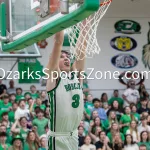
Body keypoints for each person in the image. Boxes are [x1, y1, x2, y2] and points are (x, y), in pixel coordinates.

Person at [46, 30, 85, 150]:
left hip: (73, 135)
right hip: (58, 138)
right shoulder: (54, 76)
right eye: (61, 57)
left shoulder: (77, 77)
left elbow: (82, 48)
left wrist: (86, 24)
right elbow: (58, 42)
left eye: (67, 56)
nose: (66, 58)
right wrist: (61, 20)